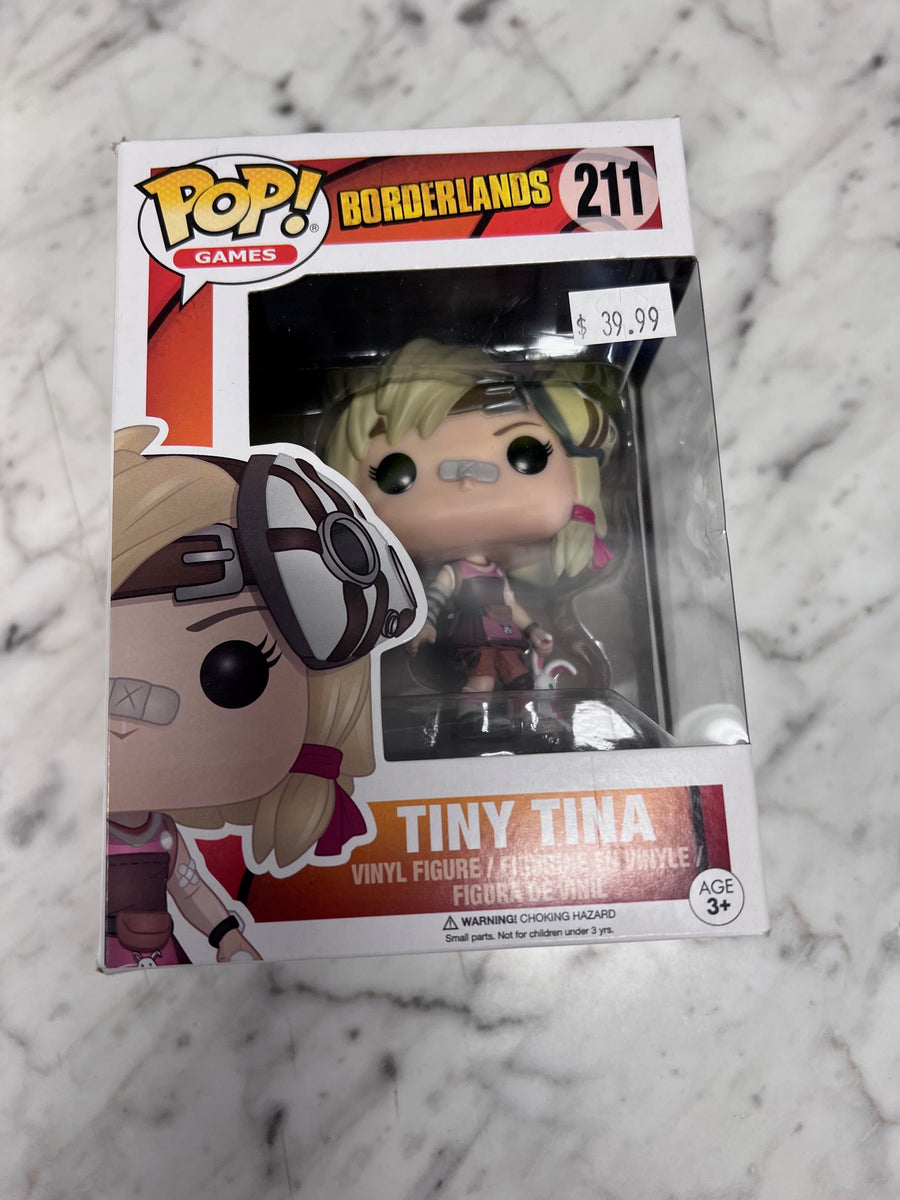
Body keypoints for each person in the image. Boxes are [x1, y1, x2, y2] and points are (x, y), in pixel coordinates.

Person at [106, 425, 420, 966]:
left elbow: (190, 889)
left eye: (233, 673)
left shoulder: (163, 835)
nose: (128, 707)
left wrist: (228, 938)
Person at [326, 339, 617, 729]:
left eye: (526, 454)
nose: (466, 480)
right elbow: (435, 597)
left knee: (519, 679)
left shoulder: (503, 572)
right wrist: (425, 624)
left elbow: (511, 603)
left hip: (505, 634)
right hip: (471, 634)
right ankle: (470, 721)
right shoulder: (453, 573)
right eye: (397, 474)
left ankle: (523, 720)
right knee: (480, 682)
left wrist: (534, 630)